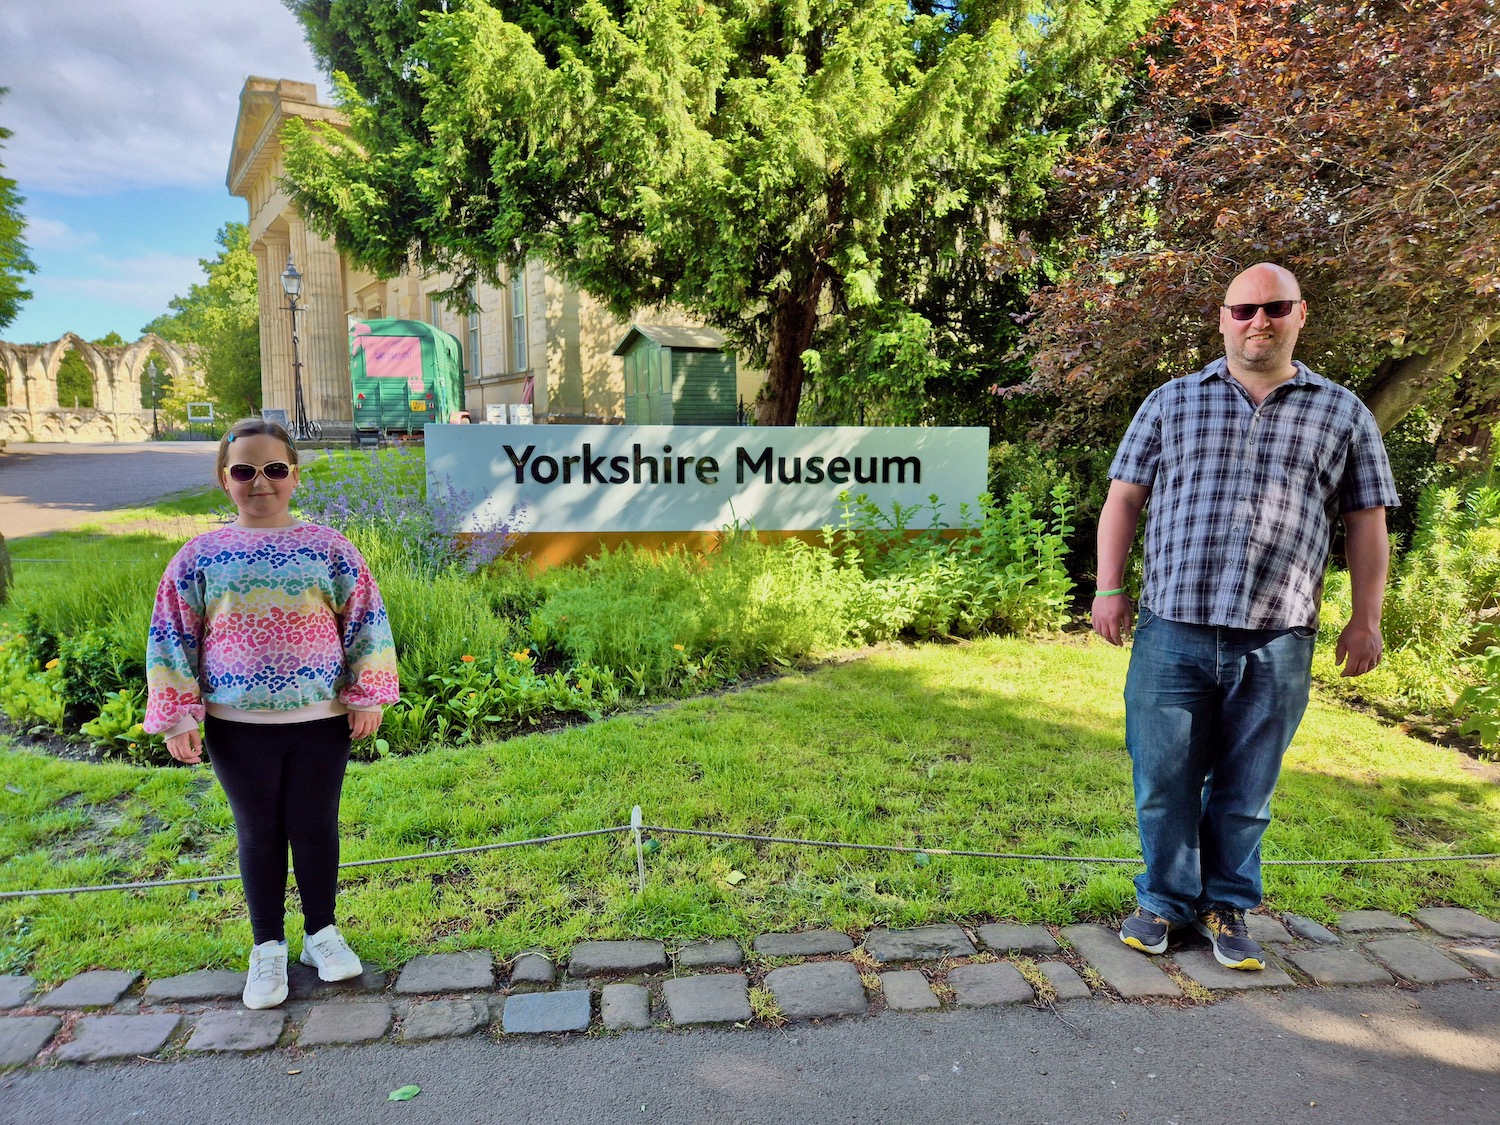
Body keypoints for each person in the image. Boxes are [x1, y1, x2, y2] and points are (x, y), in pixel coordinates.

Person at [1093, 263, 1399, 970]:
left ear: (1299, 315)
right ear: (1223, 319)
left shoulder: (1343, 411)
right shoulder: (1171, 402)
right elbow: (1124, 499)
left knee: (1248, 785)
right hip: (1174, 625)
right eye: (1244, 310)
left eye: (1274, 307)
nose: (1258, 320)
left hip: (1279, 635)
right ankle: (1165, 901)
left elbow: (1366, 518)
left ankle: (1226, 903)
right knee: (1164, 776)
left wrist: (1366, 617)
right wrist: (1109, 588)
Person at [144, 418, 400, 1009]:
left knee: (315, 826)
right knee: (259, 832)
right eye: (244, 471)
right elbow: (171, 636)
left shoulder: (330, 549)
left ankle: (321, 934)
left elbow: (366, 622)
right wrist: (179, 713)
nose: (261, 482)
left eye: (275, 469)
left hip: (320, 721)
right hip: (238, 728)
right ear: (223, 480)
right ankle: (267, 948)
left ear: (294, 476)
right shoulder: (199, 557)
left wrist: (367, 694)